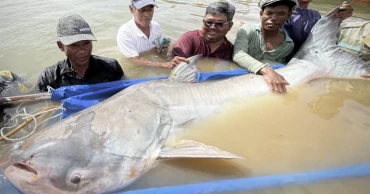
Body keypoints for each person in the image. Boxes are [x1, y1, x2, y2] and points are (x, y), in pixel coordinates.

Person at [37, 13, 124, 92]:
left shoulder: (112, 67)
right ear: (61, 46)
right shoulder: (49, 77)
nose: (82, 50)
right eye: (74, 45)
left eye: (86, 43)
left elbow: (125, 92)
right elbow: (41, 105)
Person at [233, 0, 297, 94]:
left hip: (260, 86)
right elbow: (238, 55)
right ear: (261, 14)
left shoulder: (288, 45)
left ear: (288, 16)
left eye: (281, 14)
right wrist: (267, 70)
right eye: (269, 13)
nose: (274, 18)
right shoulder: (246, 32)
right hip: (238, 82)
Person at [117, 0, 189, 69]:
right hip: (135, 68)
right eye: (142, 10)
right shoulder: (125, 32)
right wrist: (166, 64)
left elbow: (156, 49)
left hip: (152, 64)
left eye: (150, 10)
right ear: (131, 9)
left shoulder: (156, 26)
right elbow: (134, 60)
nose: (147, 14)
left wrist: (161, 49)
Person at [283, 0, 354, 53]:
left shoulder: (315, 15)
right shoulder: (283, 13)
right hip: (287, 58)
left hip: (310, 55)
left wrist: (339, 17)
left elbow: (323, 37)